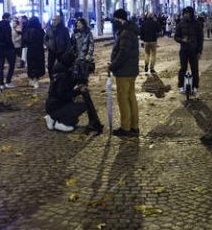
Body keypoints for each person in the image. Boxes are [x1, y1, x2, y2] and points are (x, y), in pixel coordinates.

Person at [44, 51, 103, 134]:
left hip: (53, 105)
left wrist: (80, 82)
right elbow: (64, 95)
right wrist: (78, 90)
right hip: (56, 106)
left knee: (75, 114)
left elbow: (68, 85)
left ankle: (53, 118)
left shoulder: (61, 70)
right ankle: (61, 123)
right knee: (82, 106)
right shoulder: (63, 76)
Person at [109, 9, 140, 137]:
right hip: (131, 70)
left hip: (124, 71)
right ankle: (134, 126)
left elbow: (123, 53)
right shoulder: (129, 30)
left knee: (123, 99)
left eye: (115, 19)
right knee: (131, 97)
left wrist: (113, 65)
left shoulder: (125, 33)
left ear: (119, 19)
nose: (113, 22)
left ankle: (125, 127)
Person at [174, 6, 203, 96]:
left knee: (195, 70)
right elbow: (176, 37)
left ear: (191, 13)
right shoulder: (180, 24)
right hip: (184, 50)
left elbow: (200, 39)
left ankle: (195, 87)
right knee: (183, 68)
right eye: (185, 13)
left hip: (194, 50)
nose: (186, 15)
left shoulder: (197, 24)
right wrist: (182, 40)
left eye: (188, 13)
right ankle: (181, 85)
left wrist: (199, 51)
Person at [0, 12, 16, 88]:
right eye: (10, 17)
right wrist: (12, 47)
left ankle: (1, 83)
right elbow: (8, 38)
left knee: (1, 66)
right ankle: (8, 81)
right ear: (7, 17)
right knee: (11, 64)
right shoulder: (7, 25)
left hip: (0, 48)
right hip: (8, 48)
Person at [22, 16, 46, 88]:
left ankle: (32, 79)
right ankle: (36, 80)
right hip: (39, 49)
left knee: (31, 64)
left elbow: (24, 40)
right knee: (38, 64)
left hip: (31, 50)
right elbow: (44, 38)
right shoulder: (40, 30)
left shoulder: (27, 30)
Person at [71, 17, 95, 84]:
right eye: (77, 23)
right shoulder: (74, 34)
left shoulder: (88, 33)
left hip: (85, 58)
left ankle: (84, 87)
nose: (78, 25)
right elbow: (72, 45)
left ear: (83, 24)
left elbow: (91, 45)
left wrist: (89, 54)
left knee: (84, 76)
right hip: (76, 57)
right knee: (76, 75)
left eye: (80, 23)